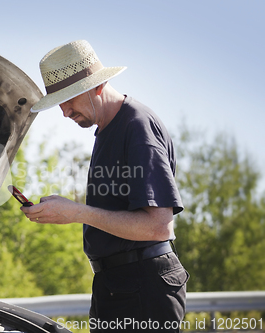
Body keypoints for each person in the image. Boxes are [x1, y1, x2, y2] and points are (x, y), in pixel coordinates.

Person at [21, 40, 189, 332]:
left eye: (69, 99)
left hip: (142, 289)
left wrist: (77, 213)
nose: (64, 112)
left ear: (97, 86)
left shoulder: (137, 127)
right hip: (118, 286)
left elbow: (159, 227)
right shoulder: (107, 130)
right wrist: (69, 209)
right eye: (59, 103)